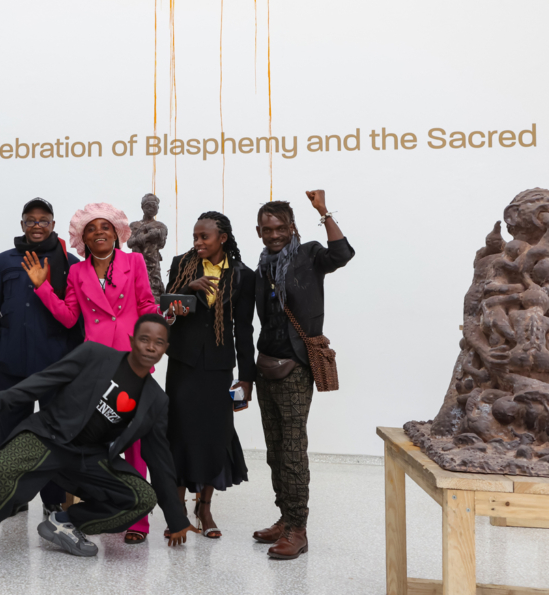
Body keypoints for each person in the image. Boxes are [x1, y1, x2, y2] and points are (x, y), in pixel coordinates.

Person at [0, 315, 200, 573]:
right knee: (1, 473)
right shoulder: (94, 354)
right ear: (131, 339)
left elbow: (160, 460)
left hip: (88, 457)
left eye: (159, 342)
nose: (150, 347)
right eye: (144, 339)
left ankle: (66, 523)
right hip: (48, 435)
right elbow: (47, 379)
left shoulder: (157, 400)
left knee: (141, 497)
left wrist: (177, 519)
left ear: (165, 348)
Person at [21, 202, 159, 543]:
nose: (99, 232)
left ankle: (138, 521)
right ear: (83, 238)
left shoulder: (135, 261)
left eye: (105, 227)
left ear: (117, 232)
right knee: (96, 444)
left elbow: (146, 306)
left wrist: (159, 325)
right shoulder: (78, 272)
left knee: (134, 443)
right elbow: (69, 317)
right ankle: (106, 507)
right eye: (92, 229)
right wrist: (42, 287)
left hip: (131, 362)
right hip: (95, 367)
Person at [252, 190, 354, 559]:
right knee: (275, 449)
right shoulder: (262, 265)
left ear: (291, 228)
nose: (274, 234)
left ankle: (298, 529)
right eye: (267, 229)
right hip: (265, 366)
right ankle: (284, 517)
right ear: (259, 232)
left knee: (293, 449)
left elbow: (343, 254)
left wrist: (324, 211)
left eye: (279, 228)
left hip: (295, 367)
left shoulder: (309, 255)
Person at [0, 197, 82, 518]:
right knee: (12, 431)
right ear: (22, 224)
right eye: (31, 220)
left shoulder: (72, 262)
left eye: (44, 220)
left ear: (53, 224)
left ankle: (52, 497)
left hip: (54, 364)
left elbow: (75, 318)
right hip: (11, 363)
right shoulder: (4, 260)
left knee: (52, 434)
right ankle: (13, 495)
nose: (37, 225)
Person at [163, 211, 256, 538]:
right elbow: (164, 307)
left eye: (204, 237)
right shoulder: (182, 264)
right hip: (183, 363)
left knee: (215, 434)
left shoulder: (244, 275)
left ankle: (204, 508)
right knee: (179, 431)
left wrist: (247, 377)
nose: (198, 242)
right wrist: (188, 286)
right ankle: (177, 511)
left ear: (223, 238)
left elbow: (244, 329)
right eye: (195, 237)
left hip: (218, 366)